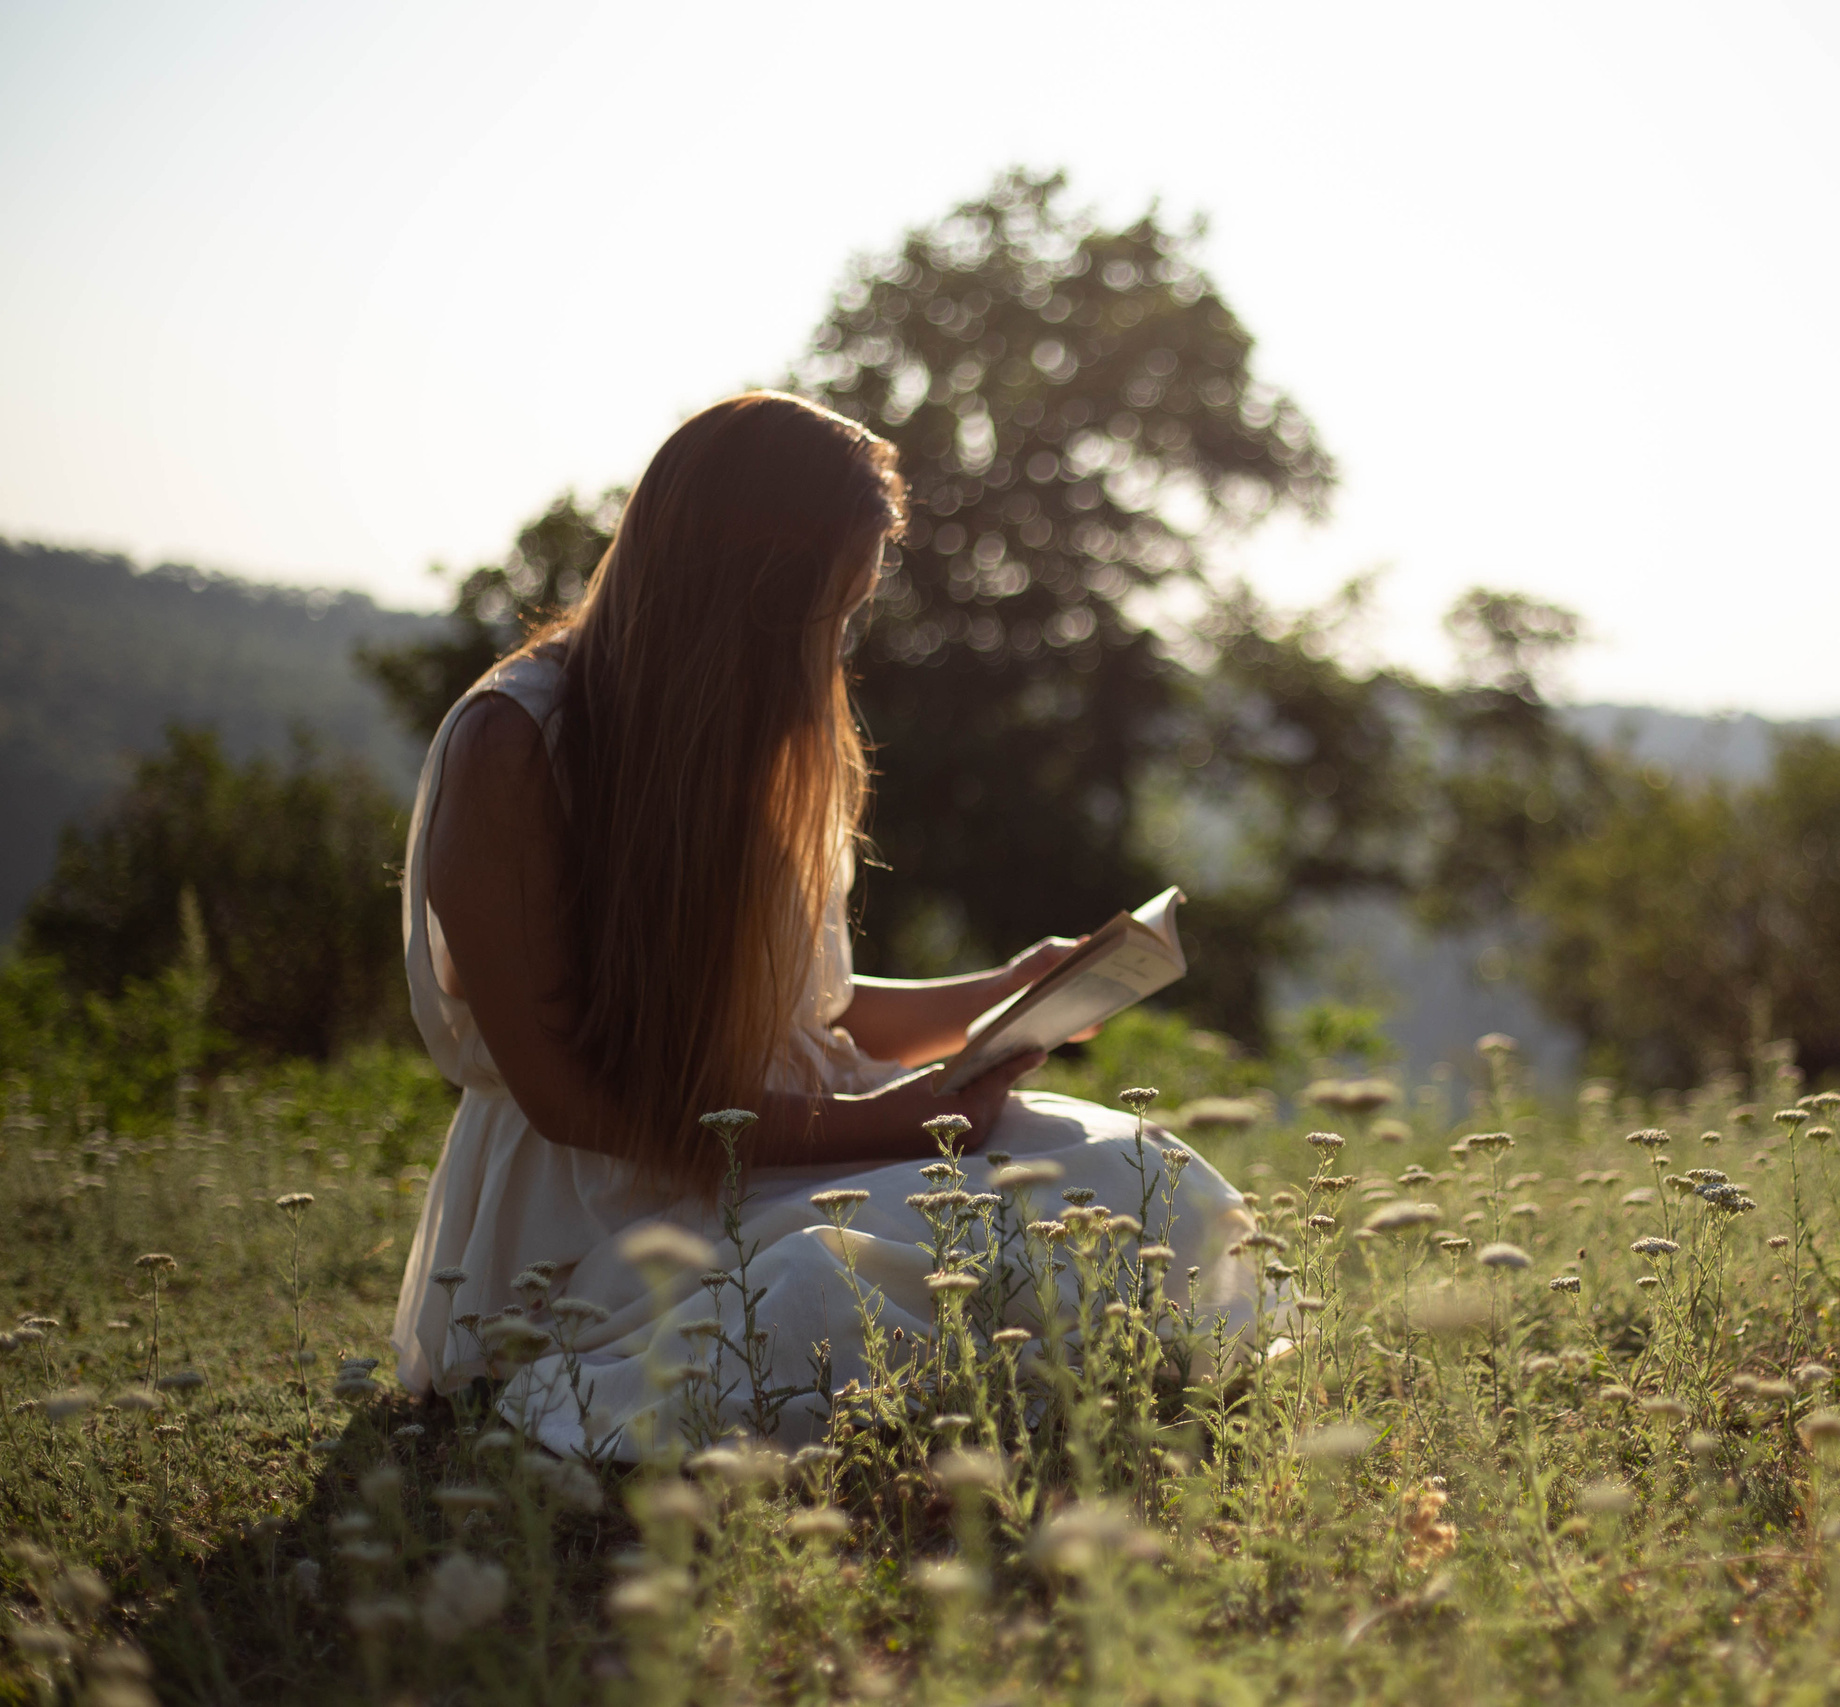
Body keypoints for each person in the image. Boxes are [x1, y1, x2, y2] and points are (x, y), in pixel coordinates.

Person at [388, 391, 1260, 1457]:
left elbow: (814, 1015)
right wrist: (901, 1124)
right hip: (616, 1208)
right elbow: (574, 1100)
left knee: (1135, 1178)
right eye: (828, 610)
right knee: (817, 1289)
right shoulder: (514, 750)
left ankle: (1079, 1369)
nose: (835, 645)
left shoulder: (750, 730)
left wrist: (1008, 992)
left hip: (800, 1136)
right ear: (744, 593)